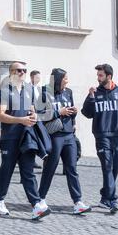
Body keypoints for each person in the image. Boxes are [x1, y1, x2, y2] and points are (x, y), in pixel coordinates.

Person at [0, 62, 51, 221]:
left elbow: (32, 109)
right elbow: (0, 115)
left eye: (25, 70)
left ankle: (36, 204)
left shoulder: (29, 90)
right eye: (19, 70)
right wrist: (20, 120)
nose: (23, 73)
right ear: (11, 73)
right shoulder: (4, 91)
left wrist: (34, 116)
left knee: (28, 171)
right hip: (9, 137)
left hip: (26, 137)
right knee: (7, 169)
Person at [81, 64, 118, 214]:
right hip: (102, 136)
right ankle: (112, 200)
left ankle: (104, 198)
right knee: (107, 167)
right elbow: (87, 113)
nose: (98, 78)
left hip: (117, 136)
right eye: (98, 75)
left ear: (109, 76)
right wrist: (90, 97)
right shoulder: (96, 92)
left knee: (114, 168)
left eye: (100, 75)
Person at [39, 68, 91, 215]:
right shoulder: (45, 92)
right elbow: (40, 115)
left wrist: (73, 115)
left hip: (69, 135)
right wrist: (58, 112)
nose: (67, 80)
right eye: (65, 78)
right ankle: (40, 198)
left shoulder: (68, 92)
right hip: (55, 135)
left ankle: (78, 202)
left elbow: (71, 110)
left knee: (72, 169)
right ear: (58, 79)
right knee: (50, 168)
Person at [30, 70, 42, 169]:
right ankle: (31, 160)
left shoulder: (39, 88)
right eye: (37, 77)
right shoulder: (27, 87)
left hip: (39, 115)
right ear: (32, 77)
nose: (39, 79)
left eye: (39, 77)